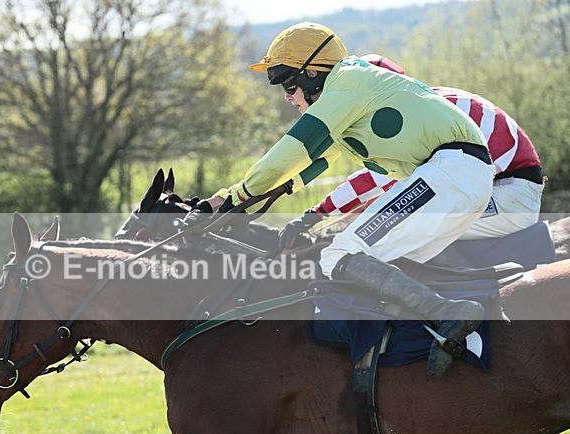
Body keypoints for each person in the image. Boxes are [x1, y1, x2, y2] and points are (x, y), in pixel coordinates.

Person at [184, 22, 497, 377]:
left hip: (451, 172)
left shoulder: (346, 81)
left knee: (340, 254)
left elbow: (293, 149)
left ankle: (449, 315)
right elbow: (313, 162)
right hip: (457, 177)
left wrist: (232, 198)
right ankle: (438, 341)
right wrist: (236, 202)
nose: (288, 96)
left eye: (289, 83)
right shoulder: (347, 97)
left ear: (314, 73)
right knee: (374, 268)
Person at [288, 54, 544, 242]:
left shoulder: (418, 117)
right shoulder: (427, 103)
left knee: (393, 231)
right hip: (503, 188)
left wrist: (317, 214)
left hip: (510, 194)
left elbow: (376, 180)